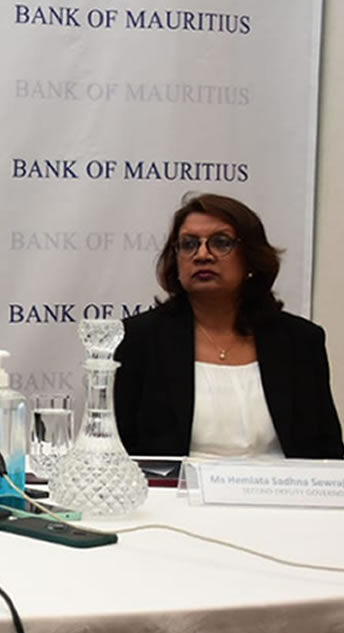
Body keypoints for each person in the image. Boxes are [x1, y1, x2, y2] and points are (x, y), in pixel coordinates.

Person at [115, 192, 342, 459]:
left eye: (221, 243)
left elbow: (326, 453)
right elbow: (119, 453)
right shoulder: (139, 339)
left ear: (251, 258)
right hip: (176, 486)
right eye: (189, 244)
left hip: (280, 485)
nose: (202, 255)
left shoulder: (300, 341)